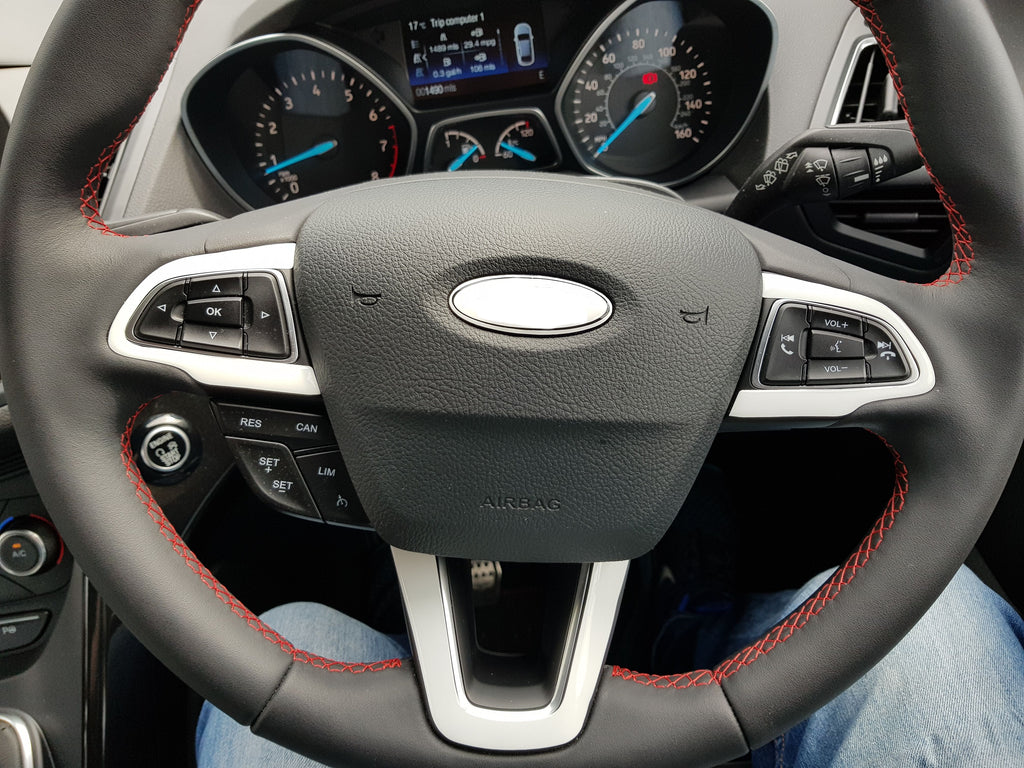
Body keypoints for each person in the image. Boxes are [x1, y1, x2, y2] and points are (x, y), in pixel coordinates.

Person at [195, 469, 1024, 767]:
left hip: (406, 703)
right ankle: (671, 608)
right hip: (700, 671)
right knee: (931, 627)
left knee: (293, 644)